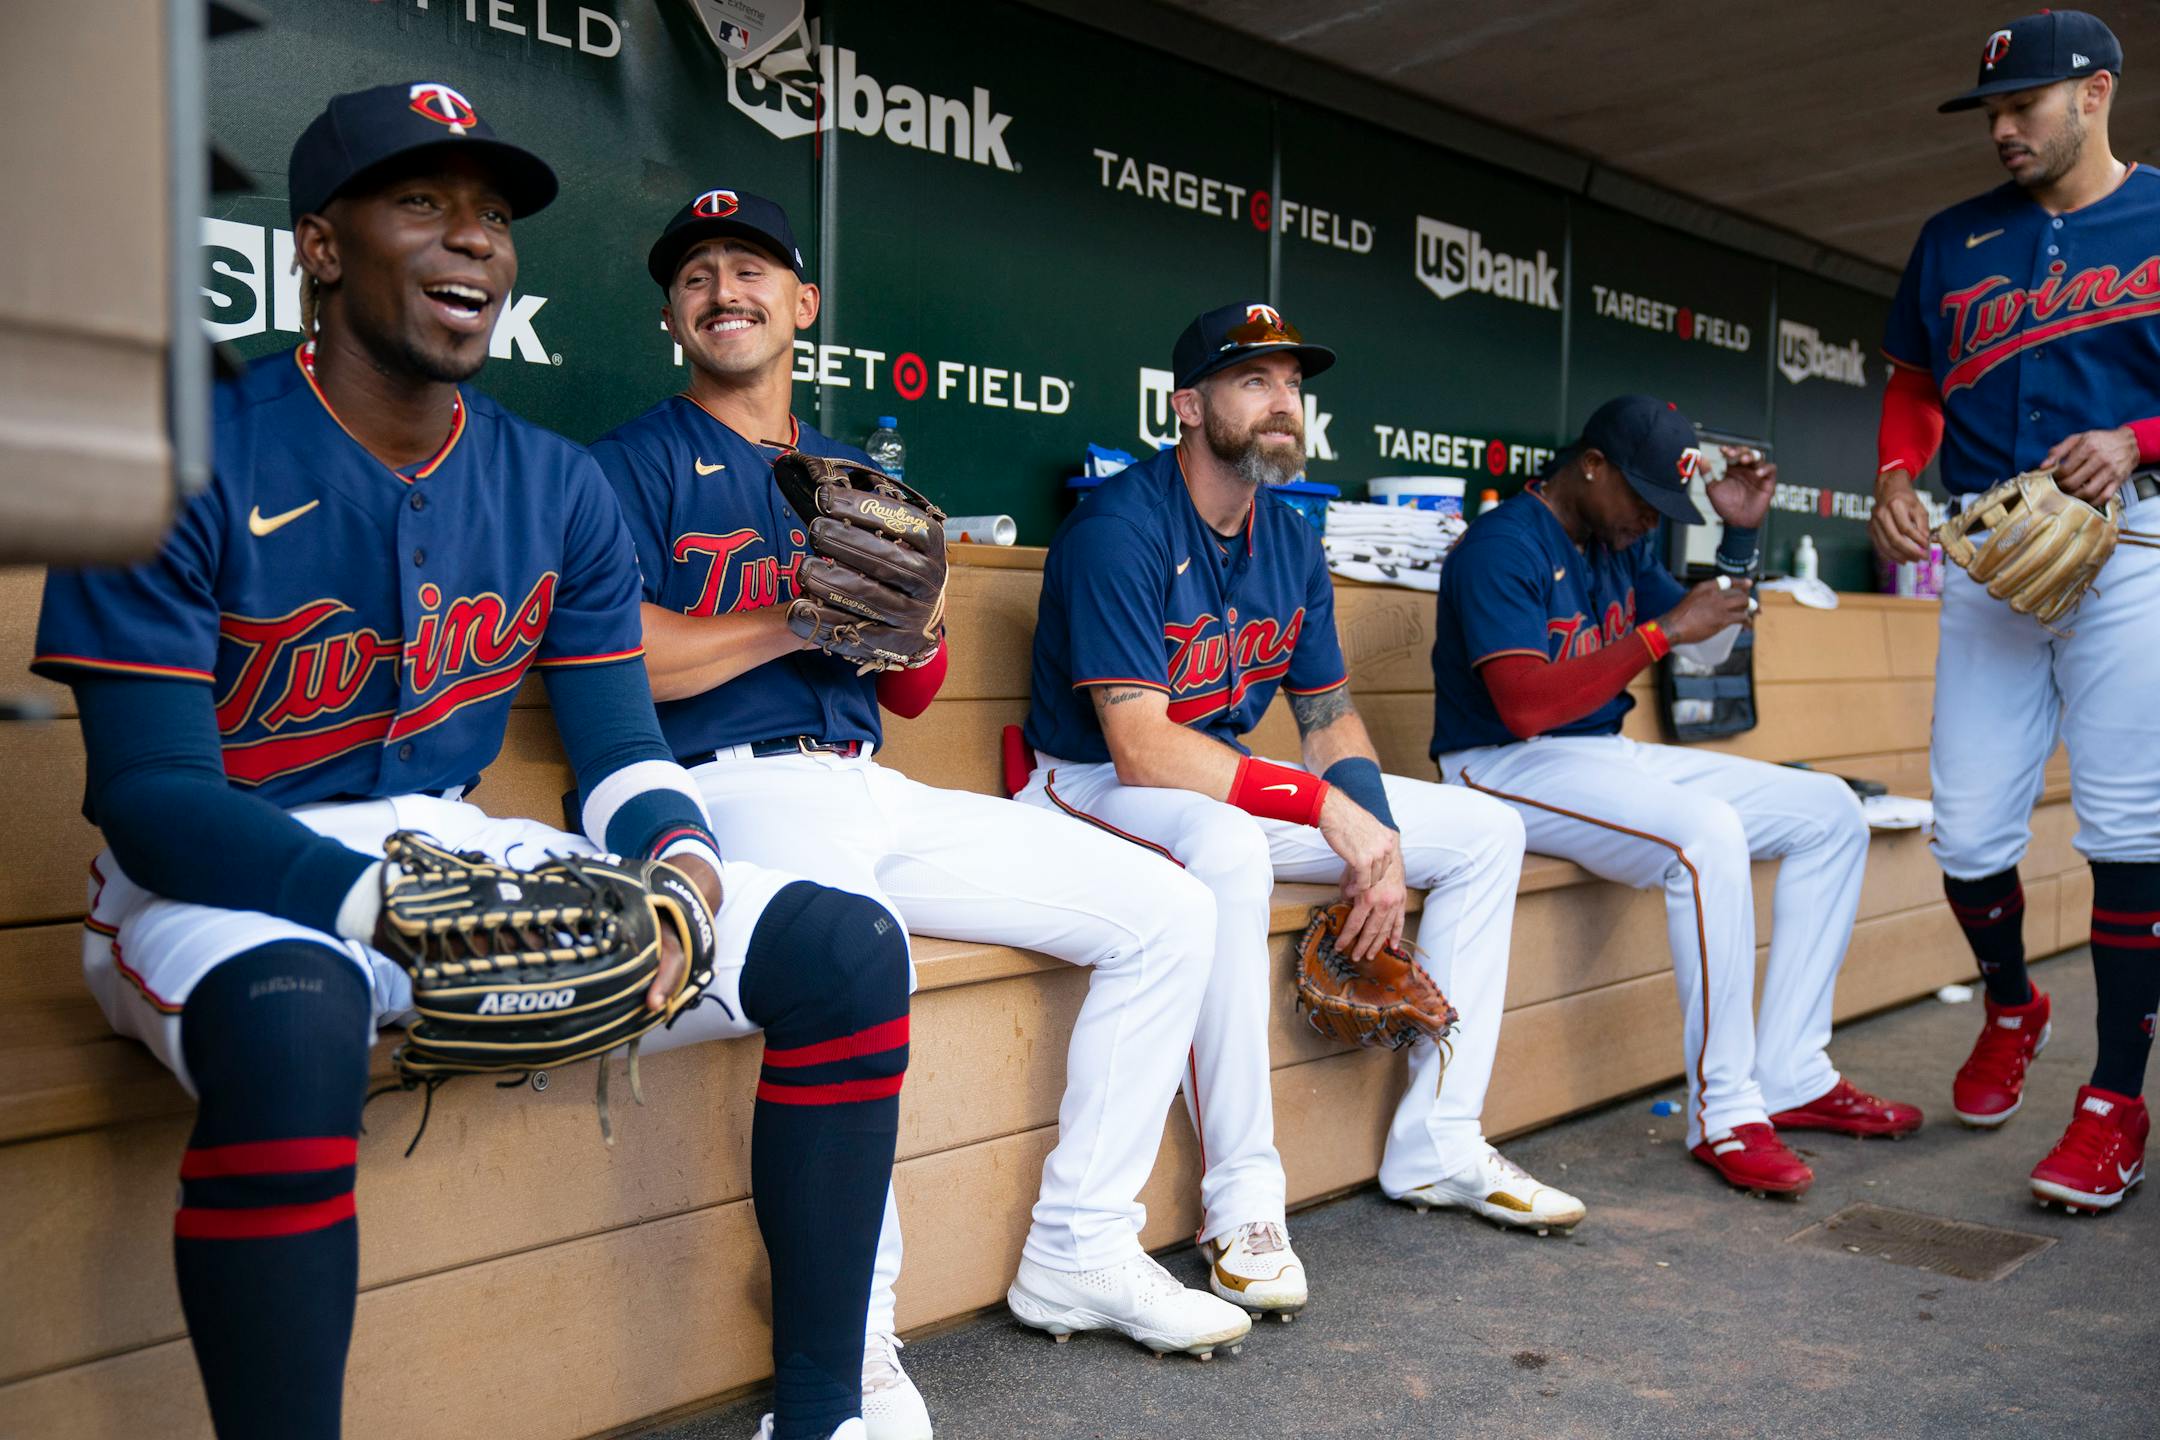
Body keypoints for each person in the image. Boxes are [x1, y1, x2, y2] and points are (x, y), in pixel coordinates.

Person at [31, 85, 906, 1440]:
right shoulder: (174, 454)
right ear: (320, 248)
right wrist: (385, 913)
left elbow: (618, 748)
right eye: (422, 204)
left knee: (847, 952)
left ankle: (821, 1415)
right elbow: (150, 803)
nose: (474, 243)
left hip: (449, 838)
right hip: (226, 864)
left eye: (493, 216)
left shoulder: (557, 485)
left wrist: (680, 871)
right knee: (291, 1011)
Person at [590, 190, 1246, 1426]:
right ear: (673, 315)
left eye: (751, 269)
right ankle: (858, 1342)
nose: (723, 289)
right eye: (695, 275)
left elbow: (912, 690)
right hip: (721, 789)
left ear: (804, 304)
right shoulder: (625, 464)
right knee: (859, 954)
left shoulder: (852, 474)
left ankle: (1082, 1248)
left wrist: (913, 619)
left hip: (859, 776)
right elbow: (616, 659)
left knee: (1170, 909)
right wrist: (795, 614)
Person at [1018, 301, 1580, 1287]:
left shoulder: (1285, 537)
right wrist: (1323, 811)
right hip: (1088, 788)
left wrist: (1382, 847)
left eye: (1292, 384)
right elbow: (1142, 748)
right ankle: (1242, 1200)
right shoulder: (1119, 527)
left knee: (1487, 833)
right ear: (1188, 406)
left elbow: (1329, 722)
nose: (1284, 403)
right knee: (1229, 848)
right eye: (1253, 381)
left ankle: (1439, 1142)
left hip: (1212, 787)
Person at [1431, 394, 1925, 1199]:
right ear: (1591, 467)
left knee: (1830, 811)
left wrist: (1738, 535)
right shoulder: (1502, 545)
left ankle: (1793, 1072)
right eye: (1642, 499)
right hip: (1499, 764)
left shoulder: (1615, 539)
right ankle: (1727, 1113)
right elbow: (1524, 706)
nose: (1648, 520)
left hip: (1600, 753)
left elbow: (1716, 632)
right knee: (1705, 833)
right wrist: (1659, 636)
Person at [1871, 9, 2160, 1211]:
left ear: (2094, 95)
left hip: (2137, 541)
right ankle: (2010, 1000)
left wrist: (2141, 436)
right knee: (1970, 834)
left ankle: (2116, 1101)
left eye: (2024, 106)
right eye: (1990, 110)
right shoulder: (1953, 239)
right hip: (1993, 549)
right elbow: (1915, 383)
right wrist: (1894, 473)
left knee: (2128, 826)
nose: (2001, 127)